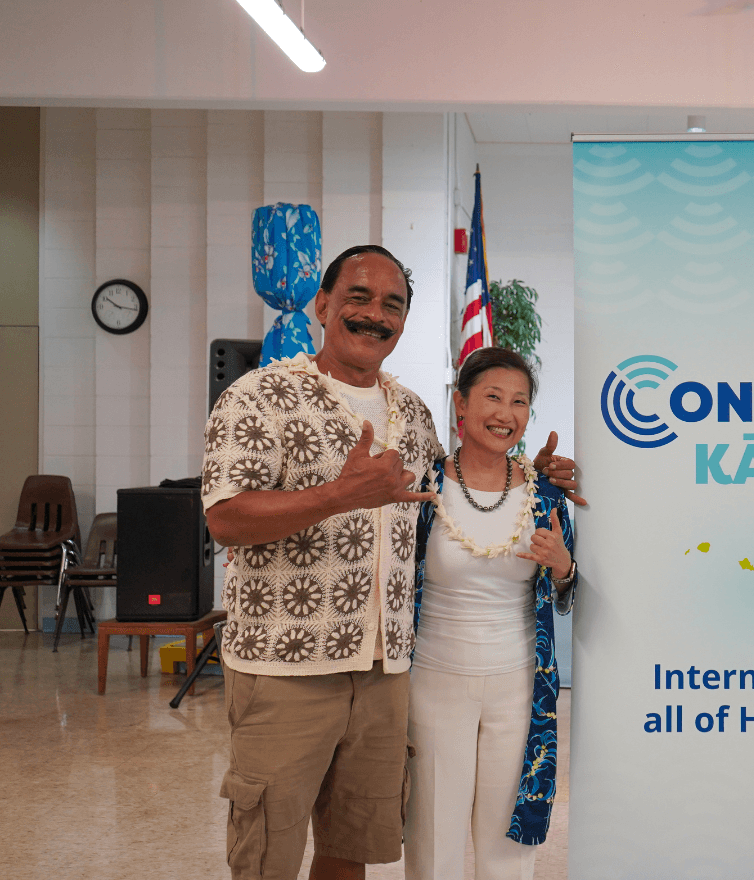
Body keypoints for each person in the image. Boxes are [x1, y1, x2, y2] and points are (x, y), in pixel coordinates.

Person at [204, 245, 580, 880]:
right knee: (268, 853)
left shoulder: (411, 415)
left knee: (353, 848)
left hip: (385, 673)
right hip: (288, 666)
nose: (375, 314)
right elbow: (224, 517)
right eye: (358, 297)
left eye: (393, 305)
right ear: (322, 305)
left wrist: (531, 474)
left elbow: (464, 485)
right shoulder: (259, 396)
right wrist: (339, 495)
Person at [403, 347, 575, 880]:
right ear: (461, 404)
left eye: (519, 401)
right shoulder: (420, 487)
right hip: (433, 680)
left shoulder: (545, 494)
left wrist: (563, 566)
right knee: (434, 837)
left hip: (519, 684)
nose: (506, 413)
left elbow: (567, 590)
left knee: (509, 844)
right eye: (493, 397)